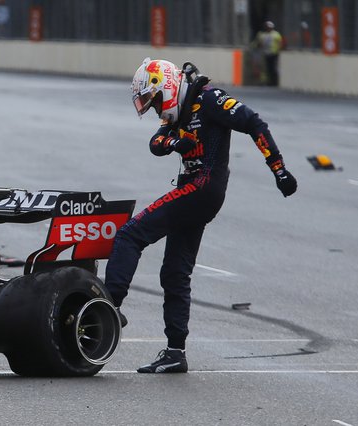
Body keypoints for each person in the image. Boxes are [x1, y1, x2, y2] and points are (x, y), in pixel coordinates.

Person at [105, 58, 297, 373]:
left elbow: (254, 122)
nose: (155, 110)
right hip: (195, 192)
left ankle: (108, 307)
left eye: (154, 102)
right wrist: (173, 142)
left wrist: (278, 169)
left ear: (165, 86)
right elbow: (155, 143)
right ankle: (175, 352)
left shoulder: (209, 99)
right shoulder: (180, 107)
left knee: (129, 234)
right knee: (174, 273)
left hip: (202, 189)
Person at [253, 21, 283, 86]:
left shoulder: (276, 34)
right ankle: (266, 82)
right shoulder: (262, 35)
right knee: (266, 68)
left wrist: (279, 50)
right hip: (265, 53)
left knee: (273, 68)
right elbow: (258, 44)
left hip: (274, 53)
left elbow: (280, 43)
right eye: (267, 27)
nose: (268, 28)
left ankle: (274, 81)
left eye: (270, 27)